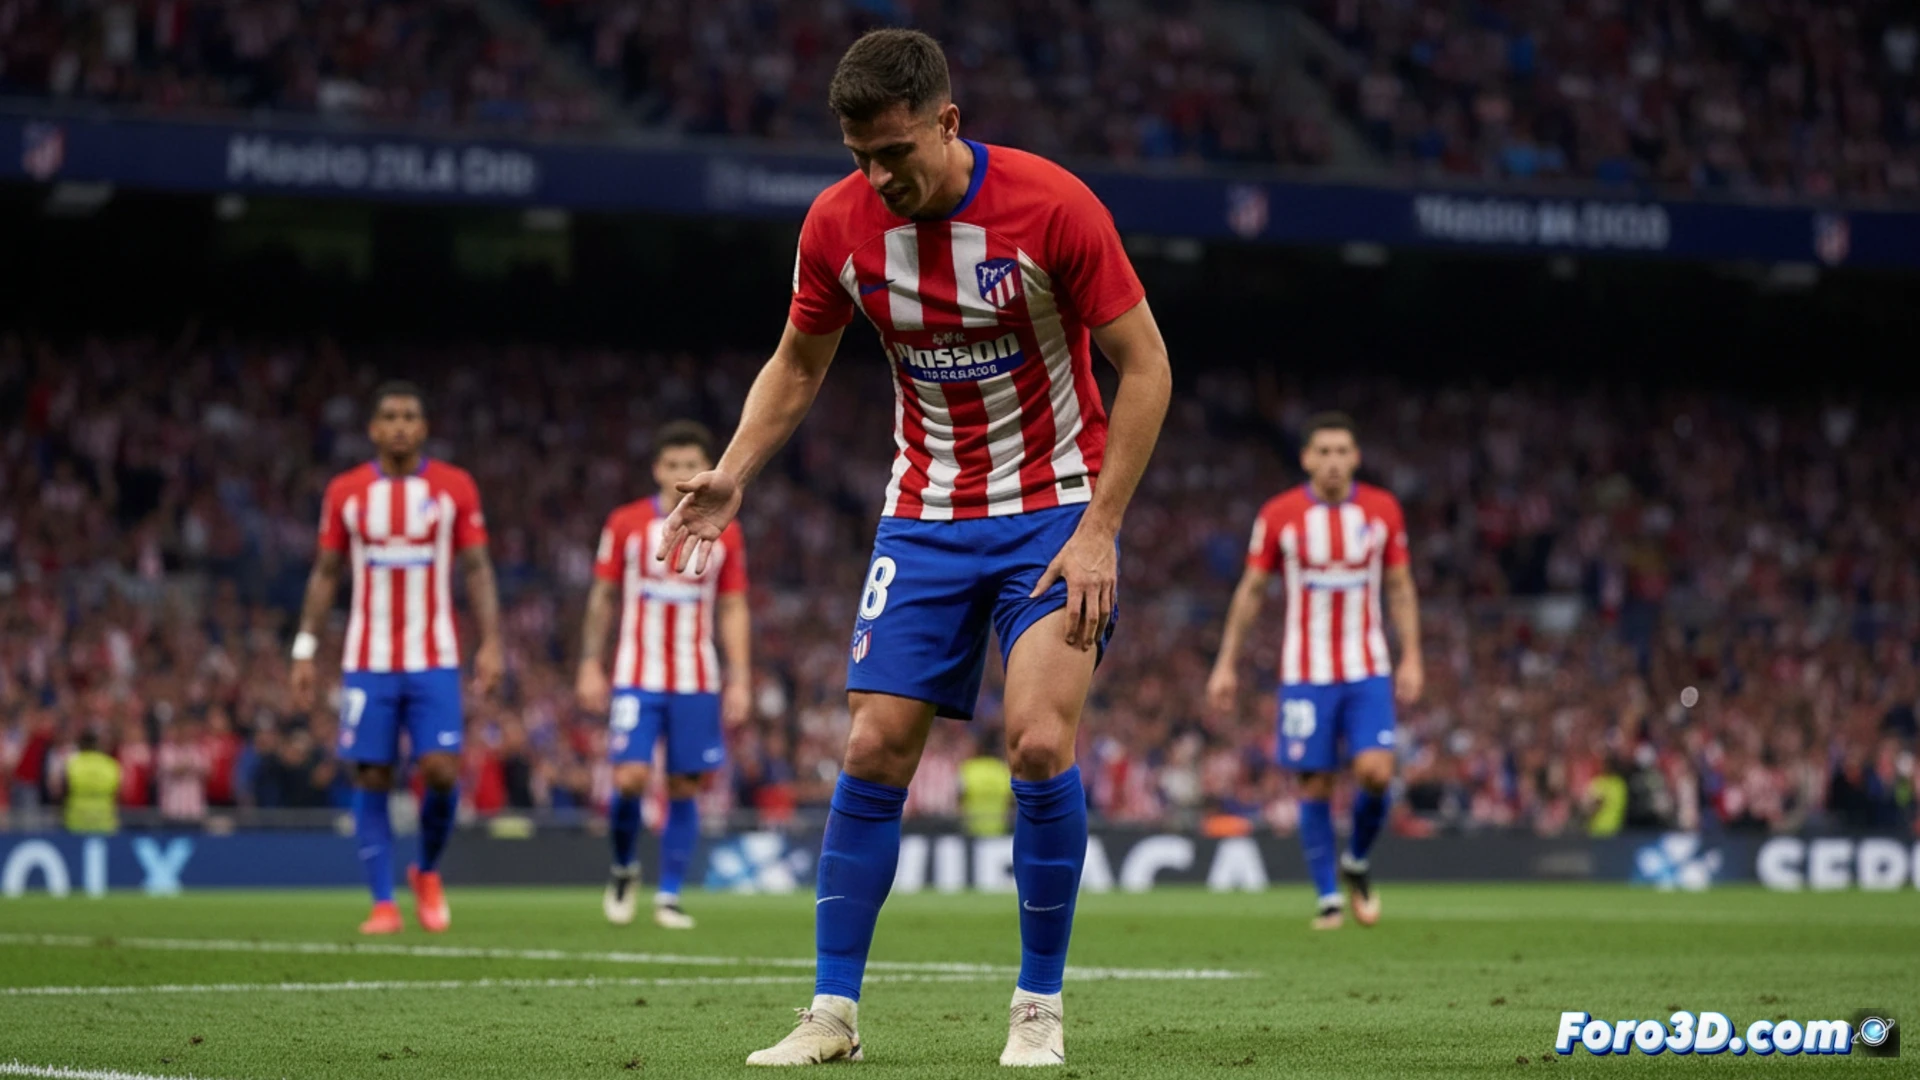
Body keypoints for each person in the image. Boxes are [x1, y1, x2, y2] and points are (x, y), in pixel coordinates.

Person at [657, 28, 1171, 1066]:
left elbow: (1147, 368)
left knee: (1035, 739)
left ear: (948, 120)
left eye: (896, 152)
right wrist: (735, 473)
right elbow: (797, 365)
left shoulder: (1053, 207)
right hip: (924, 515)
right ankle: (832, 1014)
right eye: (859, 157)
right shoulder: (837, 225)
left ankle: (1036, 1008)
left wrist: (1101, 531)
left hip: (1055, 510)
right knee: (873, 746)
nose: (879, 177)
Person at [289, 380, 502, 935]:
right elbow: (325, 573)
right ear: (374, 430)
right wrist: (305, 649)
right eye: (391, 416)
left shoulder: (455, 486)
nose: (401, 424)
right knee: (372, 774)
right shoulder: (347, 491)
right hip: (369, 658)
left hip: (435, 656)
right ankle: (383, 902)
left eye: (411, 415)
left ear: (424, 427)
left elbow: (477, 569)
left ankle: (426, 870)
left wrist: (494, 641)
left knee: (440, 770)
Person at [1208, 411, 1423, 930]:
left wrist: (1412, 655)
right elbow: (1253, 590)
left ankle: (1358, 860)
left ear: (1355, 457)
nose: (1332, 461)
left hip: (1367, 666)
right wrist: (1226, 663)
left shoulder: (1382, 510)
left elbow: (1399, 586)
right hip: (1305, 673)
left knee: (1376, 772)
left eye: (1341, 451)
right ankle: (1328, 898)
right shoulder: (1280, 514)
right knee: (1315, 785)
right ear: (1306, 458)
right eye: (1322, 452)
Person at [578, 421, 752, 929]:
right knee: (629, 778)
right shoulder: (626, 523)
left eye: (690, 465)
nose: (681, 474)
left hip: (696, 676)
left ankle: (669, 895)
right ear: (657, 469)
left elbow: (734, 607)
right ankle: (624, 866)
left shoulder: (727, 530)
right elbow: (603, 597)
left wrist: (740, 677)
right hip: (637, 673)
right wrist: (590, 663)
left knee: (684, 785)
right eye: (672, 465)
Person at [63, 730, 123, 834]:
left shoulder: (73, 763)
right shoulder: (110, 764)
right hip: (105, 821)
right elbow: (119, 792)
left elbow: (64, 789)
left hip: (77, 820)